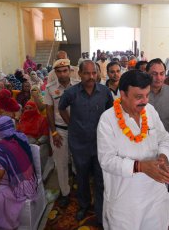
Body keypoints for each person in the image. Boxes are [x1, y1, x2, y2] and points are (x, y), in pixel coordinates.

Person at [97, 70, 169, 229]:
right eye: (139, 97)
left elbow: (163, 138)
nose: (145, 101)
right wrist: (140, 167)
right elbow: (107, 160)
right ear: (123, 94)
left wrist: (164, 157)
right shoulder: (108, 119)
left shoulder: (150, 111)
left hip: (155, 194)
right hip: (125, 200)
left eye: (147, 95)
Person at [58, 60, 113, 223]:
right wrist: (72, 125)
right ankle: (83, 205)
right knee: (81, 177)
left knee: (100, 178)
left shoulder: (104, 92)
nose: (91, 76)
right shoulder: (71, 92)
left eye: (94, 73)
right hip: (79, 144)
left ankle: (100, 210)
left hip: (101, 144)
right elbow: (61, 108)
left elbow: (111, 113)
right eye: (87, 73)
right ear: (80, 74)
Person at [0, 116, 37, 230]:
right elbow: (1, 142)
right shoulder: (20, 137)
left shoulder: (0, 150)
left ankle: (6, 225)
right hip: (29, 181)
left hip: (18, 188)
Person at [44, 58, 79, 207]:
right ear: (55, 72)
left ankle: (79, 186)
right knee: (61, 163)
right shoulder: (50, 88)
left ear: (70, 70)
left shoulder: (78, 85)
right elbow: (49, 111)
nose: (63, 74)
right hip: (60, 130)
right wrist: (53, 133)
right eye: (59, 71)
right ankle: (65, 192)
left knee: (78, 160)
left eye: (65, 70)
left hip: (78, 130)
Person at [146, 59, 169, 172]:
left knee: (164, 183)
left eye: (162, 74)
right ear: (147, 74)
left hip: (166, 150)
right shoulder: (139, 93)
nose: (159, 78)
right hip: (143, 149)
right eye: (154, 74)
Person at [17, 101, 49, 171]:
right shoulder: (22, 119)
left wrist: (37, 143)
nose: (28, 110)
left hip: (37, 143)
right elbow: (18, 133)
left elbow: (45, 135)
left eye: (30, 108)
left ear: (35, 109)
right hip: (23, 143)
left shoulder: (42, 119)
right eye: (26, 108)